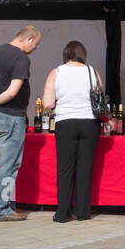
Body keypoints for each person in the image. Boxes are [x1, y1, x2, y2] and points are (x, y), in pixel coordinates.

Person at [0, 25, 41, 222]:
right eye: (36, 44)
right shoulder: (21, 58)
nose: (35, 48)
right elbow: (13, 91)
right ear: (28, 39)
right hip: (10, 116)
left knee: (3, 163)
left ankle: (8, 205)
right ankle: (2, 209)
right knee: (8, 164)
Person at [41, 41, 106, 223]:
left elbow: (47, 103)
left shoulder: (56, 72)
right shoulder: (92, 72)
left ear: (66, 54)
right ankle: (83, 211)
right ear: (83, 54)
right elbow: (100, 96)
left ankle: (62, 213)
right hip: (89, 123)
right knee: (85, 167)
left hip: (65, 122)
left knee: (65, 168)